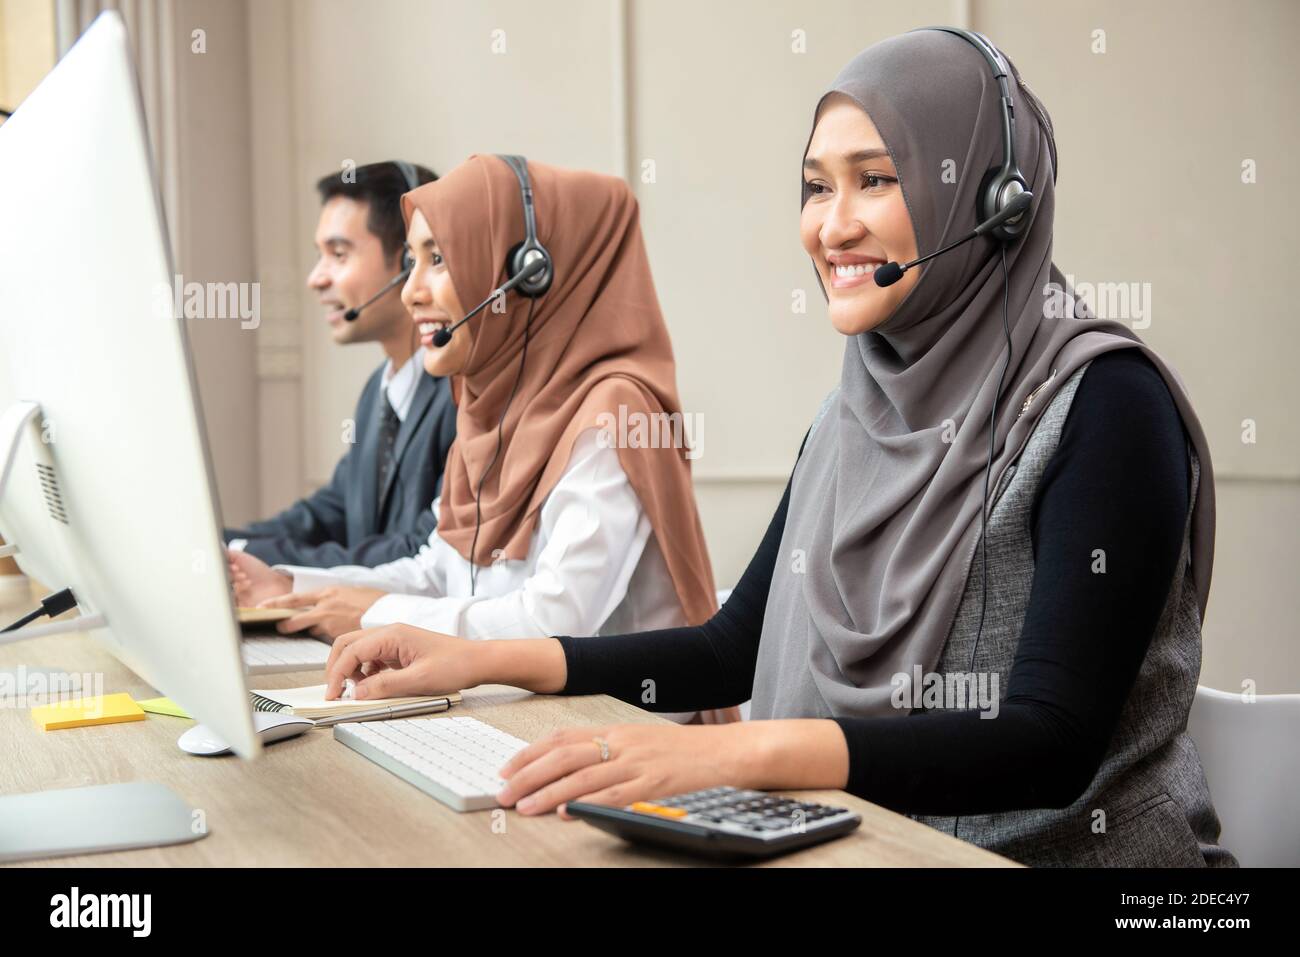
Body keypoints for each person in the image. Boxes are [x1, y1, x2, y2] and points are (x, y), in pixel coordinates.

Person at [309, 32, 1237, 868]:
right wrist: (472, 660)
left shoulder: (1107, 402)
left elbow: (1051, 740)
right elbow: (729, 648)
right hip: (875, 848)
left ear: (992, 200)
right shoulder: (847, 418)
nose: (831, 225)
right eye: (815, 186)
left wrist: (721, 753)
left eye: (877, 179)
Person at [229, 155, 736, 723]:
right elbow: (434, 571)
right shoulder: (490, 405)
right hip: (523, 717)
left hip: (616, 735)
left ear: (528, 272)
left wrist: (373, 614)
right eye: (410, 262)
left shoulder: (613, 413)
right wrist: (294, 584)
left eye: (438, 260)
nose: (410, 293)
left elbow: (555, 620)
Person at [224, 161, 457, 567]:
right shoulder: (379, 391)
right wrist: (224, 544)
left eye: (338, 254)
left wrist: (256, 561)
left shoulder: (463, 392)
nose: (316, 278)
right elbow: (332, 511)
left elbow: (421, 553)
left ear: (407, 262)